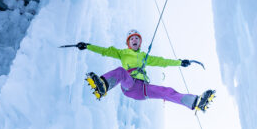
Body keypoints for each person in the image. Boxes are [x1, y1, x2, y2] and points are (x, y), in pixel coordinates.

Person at [75, 30, 215, 111]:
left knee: (166, 91)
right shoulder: (122, 53)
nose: (135, 40)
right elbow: (105, 51)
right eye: (132, 39)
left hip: (142, 88)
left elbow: (162, 62)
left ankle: (196, 102)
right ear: (128, 43)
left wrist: (179, 62)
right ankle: (102, 86)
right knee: (121, 71)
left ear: (140, 43)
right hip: (129, 85)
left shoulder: (144, 56)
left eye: (137, 38)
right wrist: (88, 46)